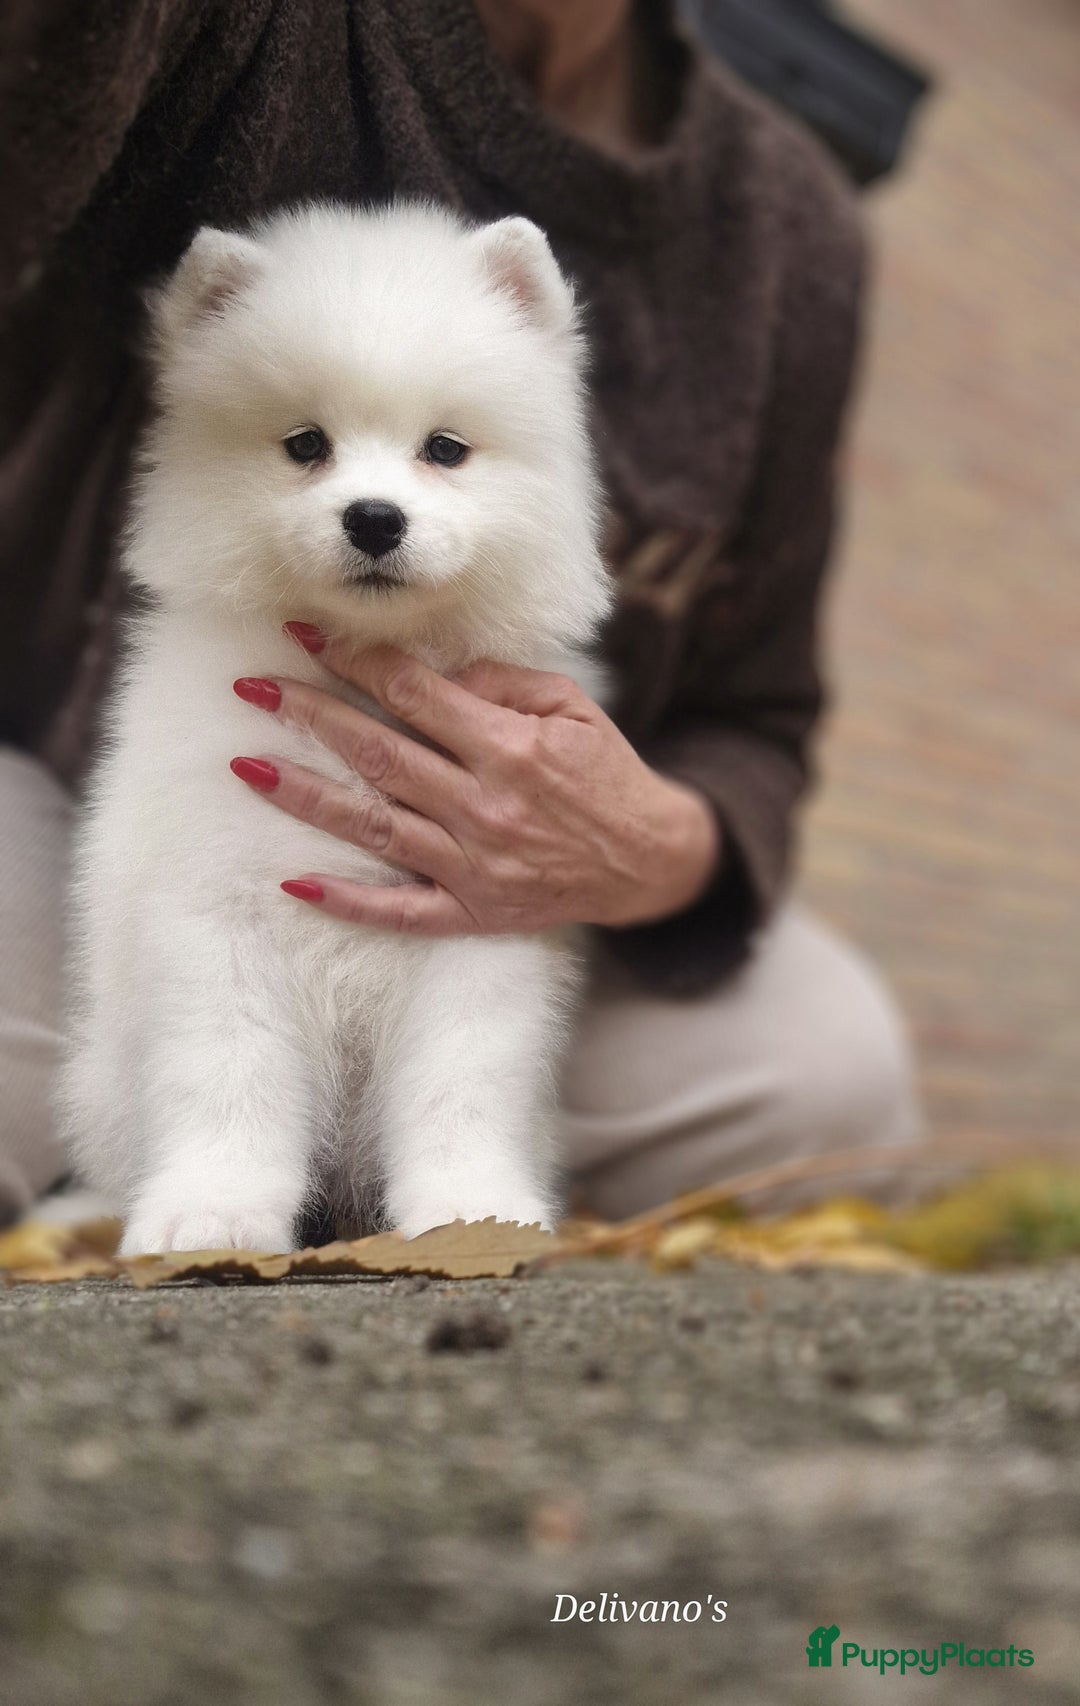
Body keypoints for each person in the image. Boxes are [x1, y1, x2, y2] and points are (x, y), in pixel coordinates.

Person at [0, 0, 920, 1227]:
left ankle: (453, 1185)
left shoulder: (786, 224)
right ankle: (163, 1168)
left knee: (826, 1076)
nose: (374, 504)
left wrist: (646, 845)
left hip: (556, 909)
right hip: (32, 801)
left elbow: (755, 710)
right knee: (173, 942)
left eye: (440, 450)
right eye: (312, 449)